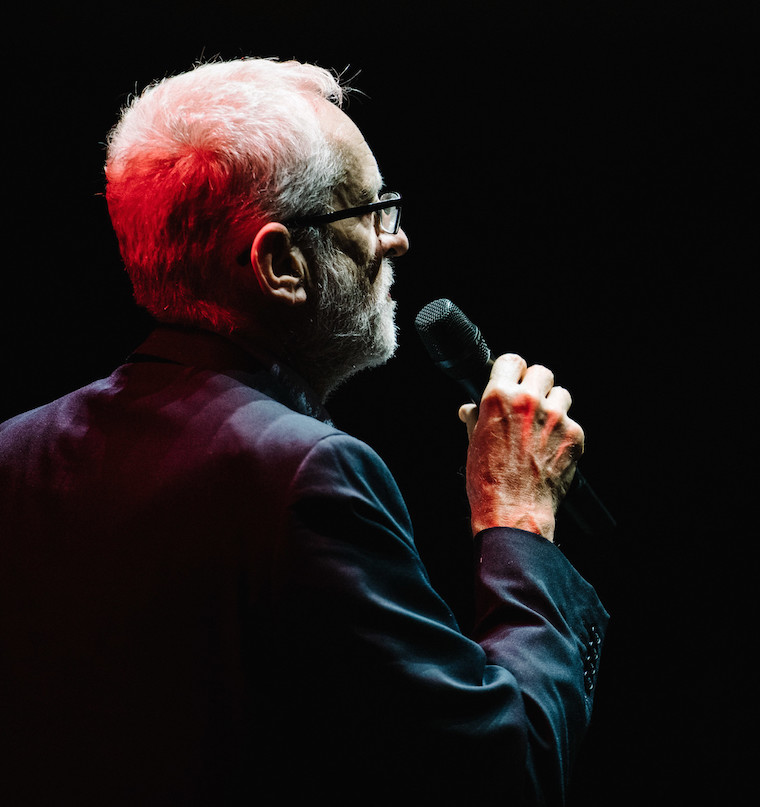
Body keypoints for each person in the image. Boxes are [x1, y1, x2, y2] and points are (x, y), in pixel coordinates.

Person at [0, 58, 607, 806]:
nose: (398, 241)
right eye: (370, 209)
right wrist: (518, 513)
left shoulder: (14, 450)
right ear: (282, 264)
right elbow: (507, 767)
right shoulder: (305, 471)